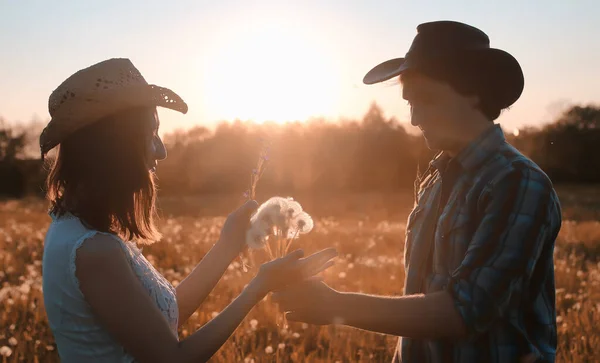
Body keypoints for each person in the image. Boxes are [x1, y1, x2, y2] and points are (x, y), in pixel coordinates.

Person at [273, 21, 561, 363]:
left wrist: (335, 304)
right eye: (409, 103)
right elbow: (421, 299)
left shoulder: (517, 182)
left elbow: (464, 311)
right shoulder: (434, 180)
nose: (413, 119)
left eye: (426, 99)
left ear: (472, 91)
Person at [40, 58, 337, 363]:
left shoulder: (82, 231)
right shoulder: (94, 250)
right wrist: (258, 286)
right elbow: (172, 358)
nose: (162, 149)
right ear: (115, 146)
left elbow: (164, 320)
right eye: (151, 133)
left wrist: (227, 245)